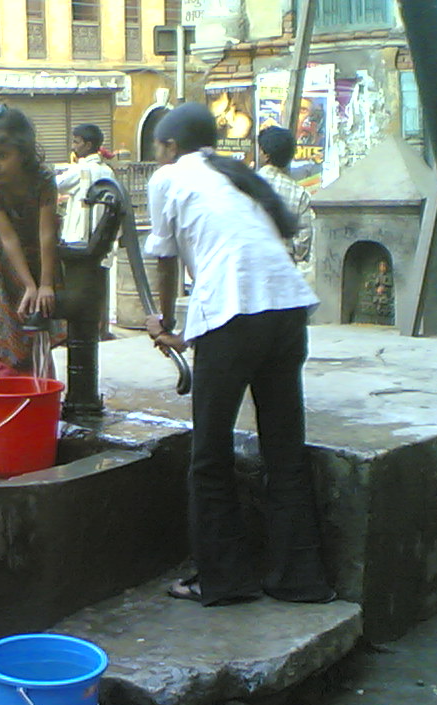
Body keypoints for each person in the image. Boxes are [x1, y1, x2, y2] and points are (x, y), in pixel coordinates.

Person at [144, 102, 334, 606]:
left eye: (158, 145)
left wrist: (162, 322)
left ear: (168, 146)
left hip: (234, 316)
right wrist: (187, 331)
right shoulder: (238, 177)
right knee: (284, 450)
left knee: (209, 455)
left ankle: (224, 579)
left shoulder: (168, 177)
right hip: (286, 311)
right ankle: (300, 578)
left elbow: (164, 259)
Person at [0, 102, 61, 377]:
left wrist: (44, 284)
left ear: (23, 151)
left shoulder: (44, 179)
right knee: (13, 322)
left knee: (41, 318)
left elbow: (47, 233)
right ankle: (9, 384)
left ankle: (44, 384)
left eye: (1, 156)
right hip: (1, 258)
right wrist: (28, 285)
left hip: (41, 253)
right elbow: (7, 238)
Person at [256, 125, 313, 271]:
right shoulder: (300, 193)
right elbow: (303, 242)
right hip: (283, 269)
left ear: (264, 154)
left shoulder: (246, 185)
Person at [55, 122, 114, 247]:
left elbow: (57, 184)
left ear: (88, 145)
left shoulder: (80, 169)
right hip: (101, 237)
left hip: (78, 237)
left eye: (76, 142)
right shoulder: (108, 171)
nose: (73, 147)